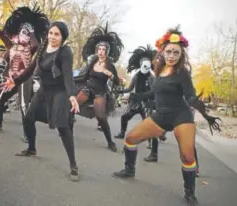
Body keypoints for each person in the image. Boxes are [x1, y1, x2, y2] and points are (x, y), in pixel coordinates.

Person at [112, 26, 221, 205]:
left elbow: (190, 95)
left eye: (176, 53)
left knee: (187, 156)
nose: (171, 56)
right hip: (161, 115)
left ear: (181, 55)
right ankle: (129, 170)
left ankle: (190, 192)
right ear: (162, 52)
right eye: (169, 52)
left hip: (181, 116)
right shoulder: (159, 70)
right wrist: (136, 96)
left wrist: (202, 110)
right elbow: (154, 93)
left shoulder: (182, 73)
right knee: (130, 139)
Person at [1, 21, 80, 181]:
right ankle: (31, 148)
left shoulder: (65, 52)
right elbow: (30, 69)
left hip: (60, 92)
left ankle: (73, 164)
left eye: (57, 34)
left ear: (63, 37)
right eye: (51, 33)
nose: (52, 37)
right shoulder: (44, 47)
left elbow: (67, 75)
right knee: (28, 117)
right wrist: (15, 82)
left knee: (62, 127)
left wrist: (72, 95)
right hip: (44, 90)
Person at [0, 5, 49, 134]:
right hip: (11, 78)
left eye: (26, 32)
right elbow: (2, 34)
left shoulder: (32, 47)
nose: (23, 34)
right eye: (21, 31)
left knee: (23, 106)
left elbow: (38, 46)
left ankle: (29, 135)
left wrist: (33, 32)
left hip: (24, 78)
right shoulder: (13, 46)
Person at [74, 23, 123, 152]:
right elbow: (83, 77)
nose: (101, 52)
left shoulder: (110, 65)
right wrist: (68, 79)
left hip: (100, 92)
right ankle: (66, 131)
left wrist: (110, 75)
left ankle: (110, 142)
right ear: (96, 50)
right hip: (87, 88)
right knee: (73, 106)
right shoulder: (92, 62)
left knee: (101, 117)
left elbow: (117, 82)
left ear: (107, 51)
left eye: (103, 49)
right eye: (99, 49)